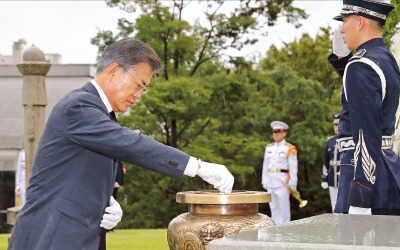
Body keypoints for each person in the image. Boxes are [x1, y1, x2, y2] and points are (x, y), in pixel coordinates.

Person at [7, 38, 234, 250]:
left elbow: (79, 179)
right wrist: (198, 167)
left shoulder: (99, 115)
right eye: (138, 85)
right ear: (114, 71)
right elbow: (132, 144)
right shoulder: (78, 106)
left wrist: (105, 206)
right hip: (49, 238)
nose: (139, 95)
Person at [328, 0, 400, 215]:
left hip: (363, 175)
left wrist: (361, 196)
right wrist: (343, 59)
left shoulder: (360, 65)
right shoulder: (384, 58)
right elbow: (364, 94)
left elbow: (364, 134)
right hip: (386, 168)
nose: (342, 29)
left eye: (345, 21)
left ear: (360, 22)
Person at [261, 121, 298, 224]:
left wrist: (293, 183)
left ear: (284, 133)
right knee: (273, 207)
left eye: (278, 131)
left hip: (283, 182)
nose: (276, 134)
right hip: (270, 182)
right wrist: (265, 181)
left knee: (284, 208)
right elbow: (265, 166)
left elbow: (293, 167)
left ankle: (284, 230)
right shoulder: (269, 147)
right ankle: (275, 230)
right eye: (274, 132)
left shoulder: (289, 148)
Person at [321, 113, 341, 212]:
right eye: (335, 125)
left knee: (343, 204)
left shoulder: (348, 140)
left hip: (343, 178)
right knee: (334, 204)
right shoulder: (330, 141)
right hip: (332, 178)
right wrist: (324, 178)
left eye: (339, 125)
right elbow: (326, 161)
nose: (337, 127)